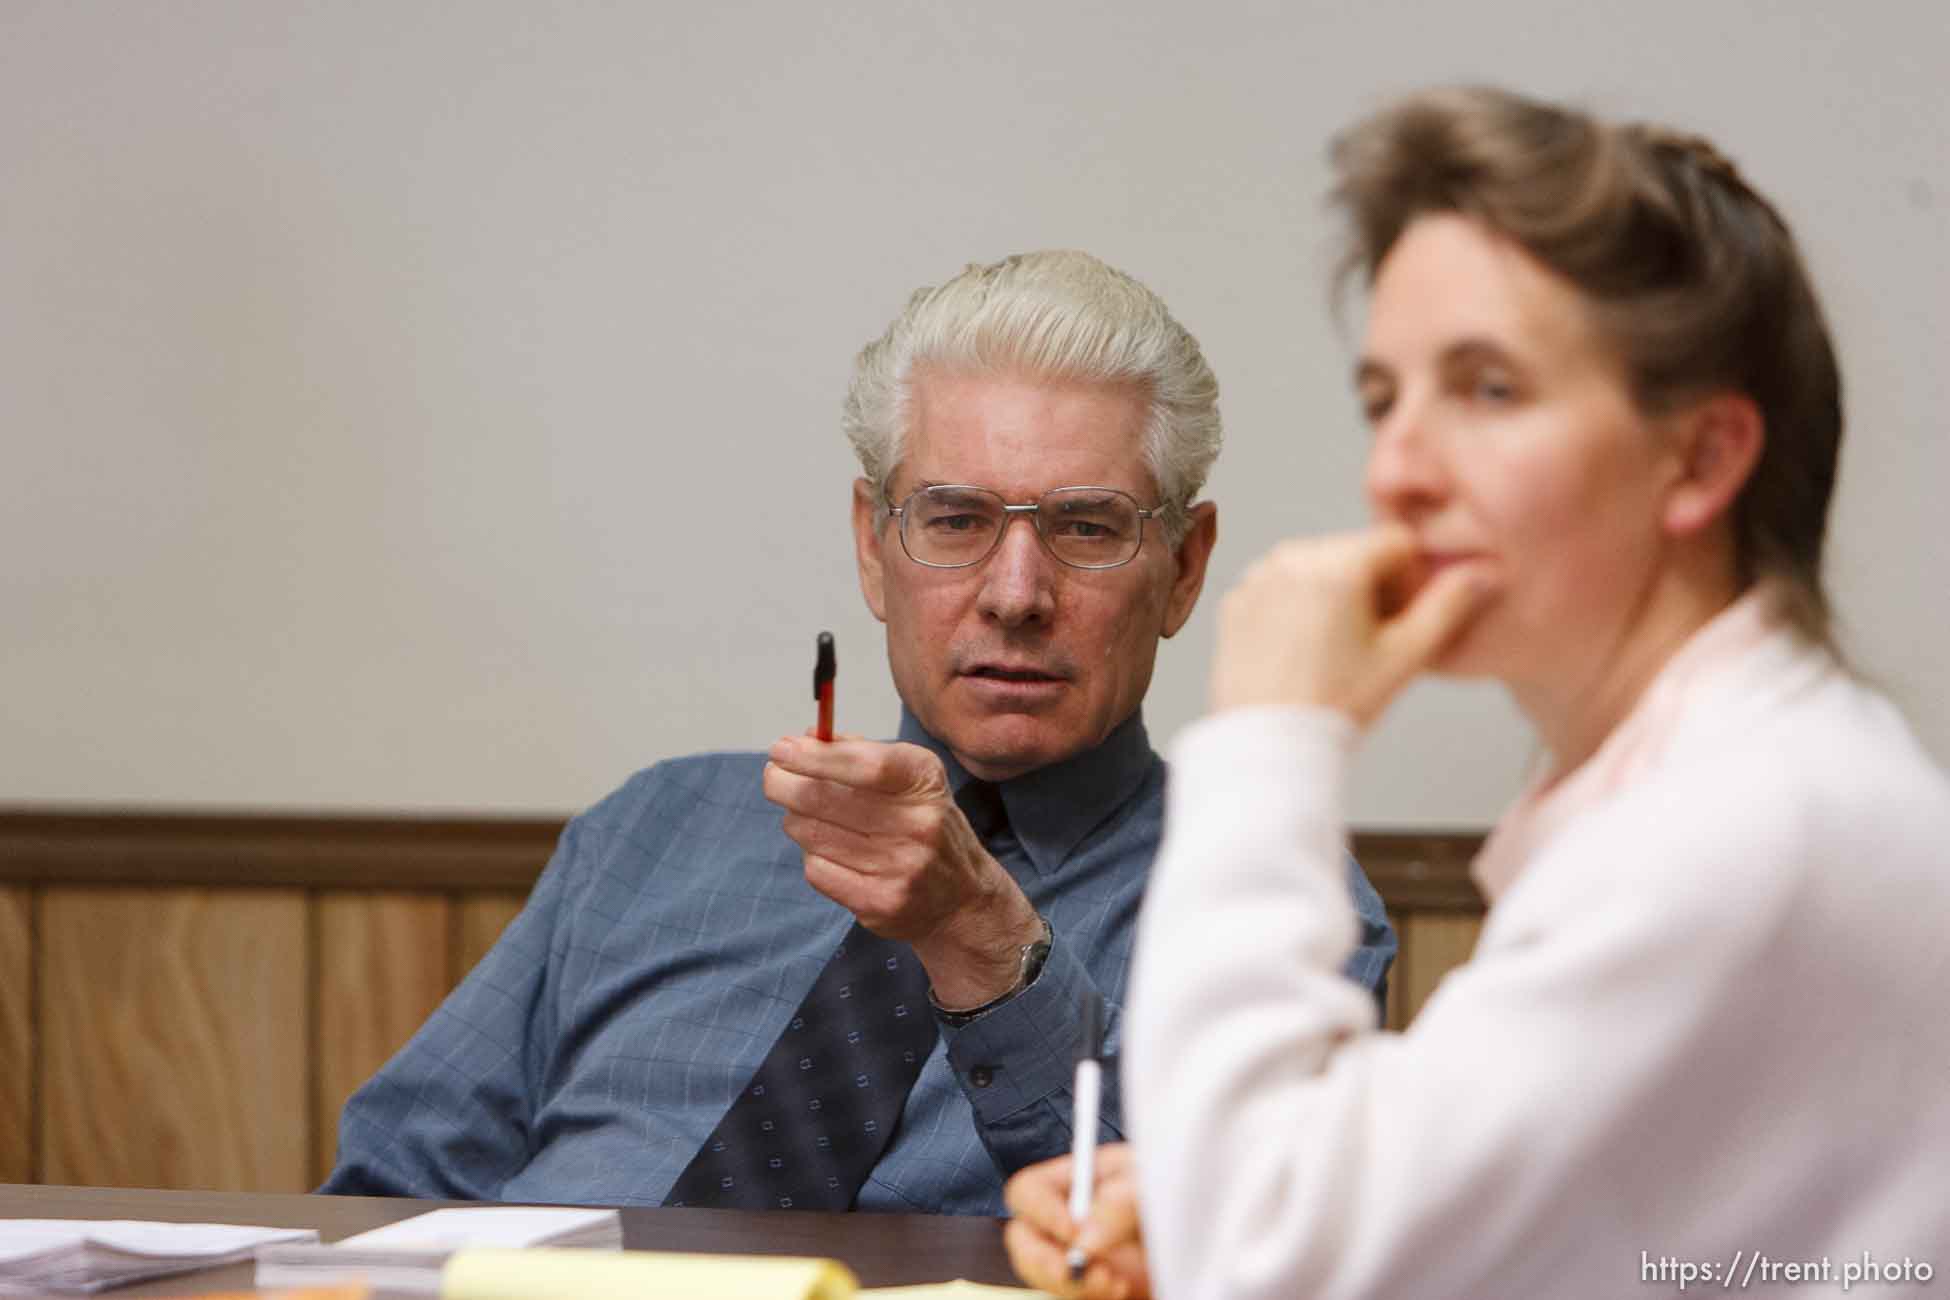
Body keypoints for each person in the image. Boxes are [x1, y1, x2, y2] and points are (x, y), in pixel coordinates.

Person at [1006, 89, 1950, 1297]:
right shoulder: (1737, 782)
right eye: (1384, 399)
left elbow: (1263, 1256)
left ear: (1701, 457)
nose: (1395, 470)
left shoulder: (1743, 827)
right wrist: (1225, 1200)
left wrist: (1270, 733)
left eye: (1488, 389)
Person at [322, 249, 1396, 1215]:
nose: (1015, 593)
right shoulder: (654, 829)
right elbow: (389, 1186)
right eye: (957, 520)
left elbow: (1212, 1247)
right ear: (873, 548)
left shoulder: (1281, 908)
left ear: (1185, 568)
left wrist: (982, 937)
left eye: (1084, 526)